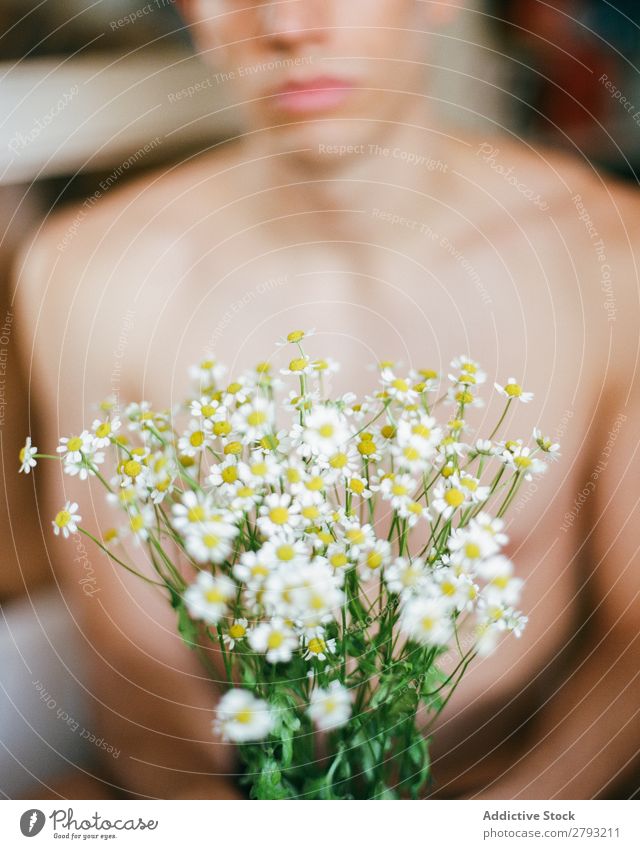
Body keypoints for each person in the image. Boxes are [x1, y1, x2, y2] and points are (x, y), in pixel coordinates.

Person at [14, 0, 640, 799]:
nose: (284, 24)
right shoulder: (87, 273)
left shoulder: (611, 262)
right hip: (236, 801)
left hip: (505, 791)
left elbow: (632, 649)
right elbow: (137, 668)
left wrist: (499, 820)